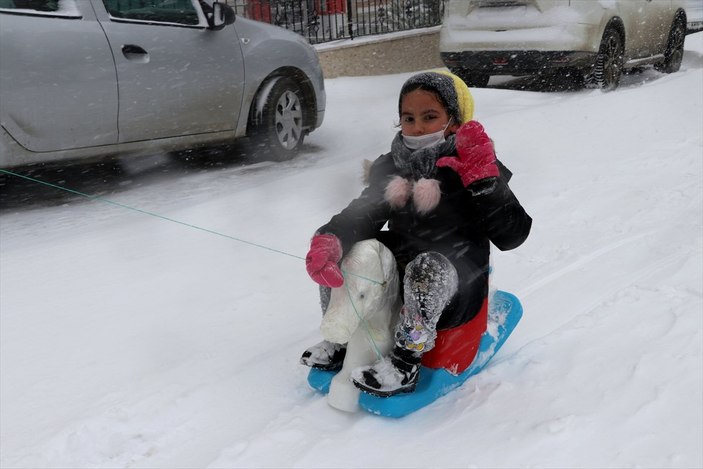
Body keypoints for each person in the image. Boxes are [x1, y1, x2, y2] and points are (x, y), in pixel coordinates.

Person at [301, 71, 532, 397]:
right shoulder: (393, 166)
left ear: (454, 121)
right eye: (408, 118)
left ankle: (406, 361)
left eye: (430, 117)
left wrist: (485, 183)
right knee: (353, 252)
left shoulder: (473, 164)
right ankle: (342, 337)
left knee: (427, 270)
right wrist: (332, 237)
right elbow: (365, 211)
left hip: (458, 275)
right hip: (402, 264)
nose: (418, 127)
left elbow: (513, 235)